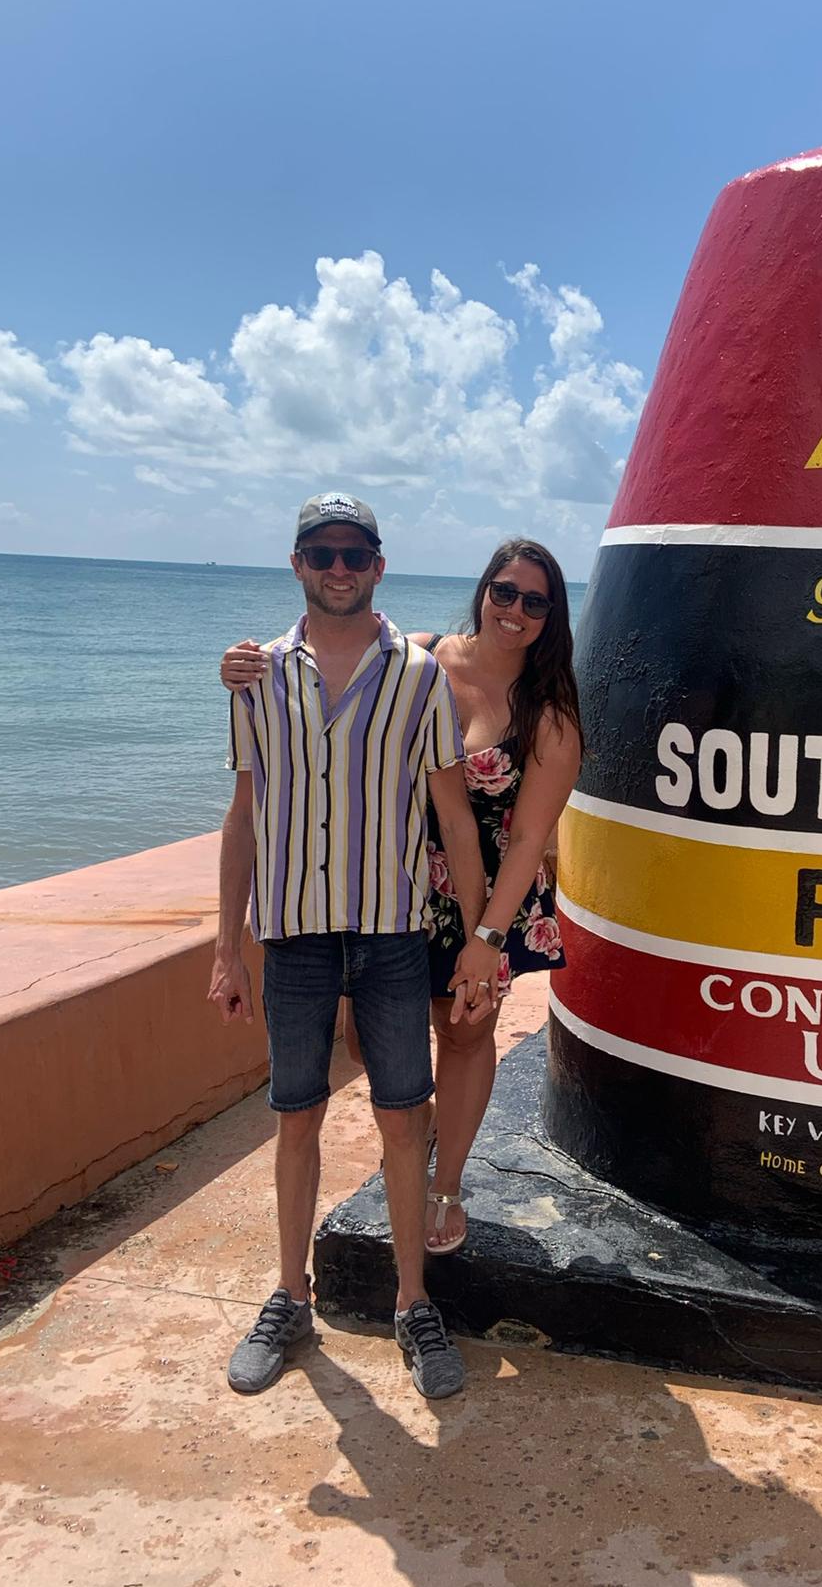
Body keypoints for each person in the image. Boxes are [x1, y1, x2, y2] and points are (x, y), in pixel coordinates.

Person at [209, 491, 497, 1402]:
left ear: (379, 565)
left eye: (354, 553)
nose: (338, 567)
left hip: (391, 932)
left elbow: (452, 810)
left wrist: (480, 942)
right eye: (321, 552)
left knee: (403, 1119)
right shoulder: (257, 674)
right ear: (298, 562)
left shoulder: (416, 675)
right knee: (294, 1118)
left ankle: (415, 1303)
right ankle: (290, 1296)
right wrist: (227, 948)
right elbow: (246, 815)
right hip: (292, 934)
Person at [221, 536, 582, 1257]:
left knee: (464, 1030)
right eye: (504, 592)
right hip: (394, 880)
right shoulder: (423, 659)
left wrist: (485, 940)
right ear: (483, 590)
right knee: (368, 1040)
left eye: (534, 601)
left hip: (485, 896)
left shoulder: (549, 715)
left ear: (551, 616)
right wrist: (246, 663)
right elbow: (336, 661)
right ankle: (418, 1142)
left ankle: (444, 1181)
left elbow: (525, 840)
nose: (515, 610)